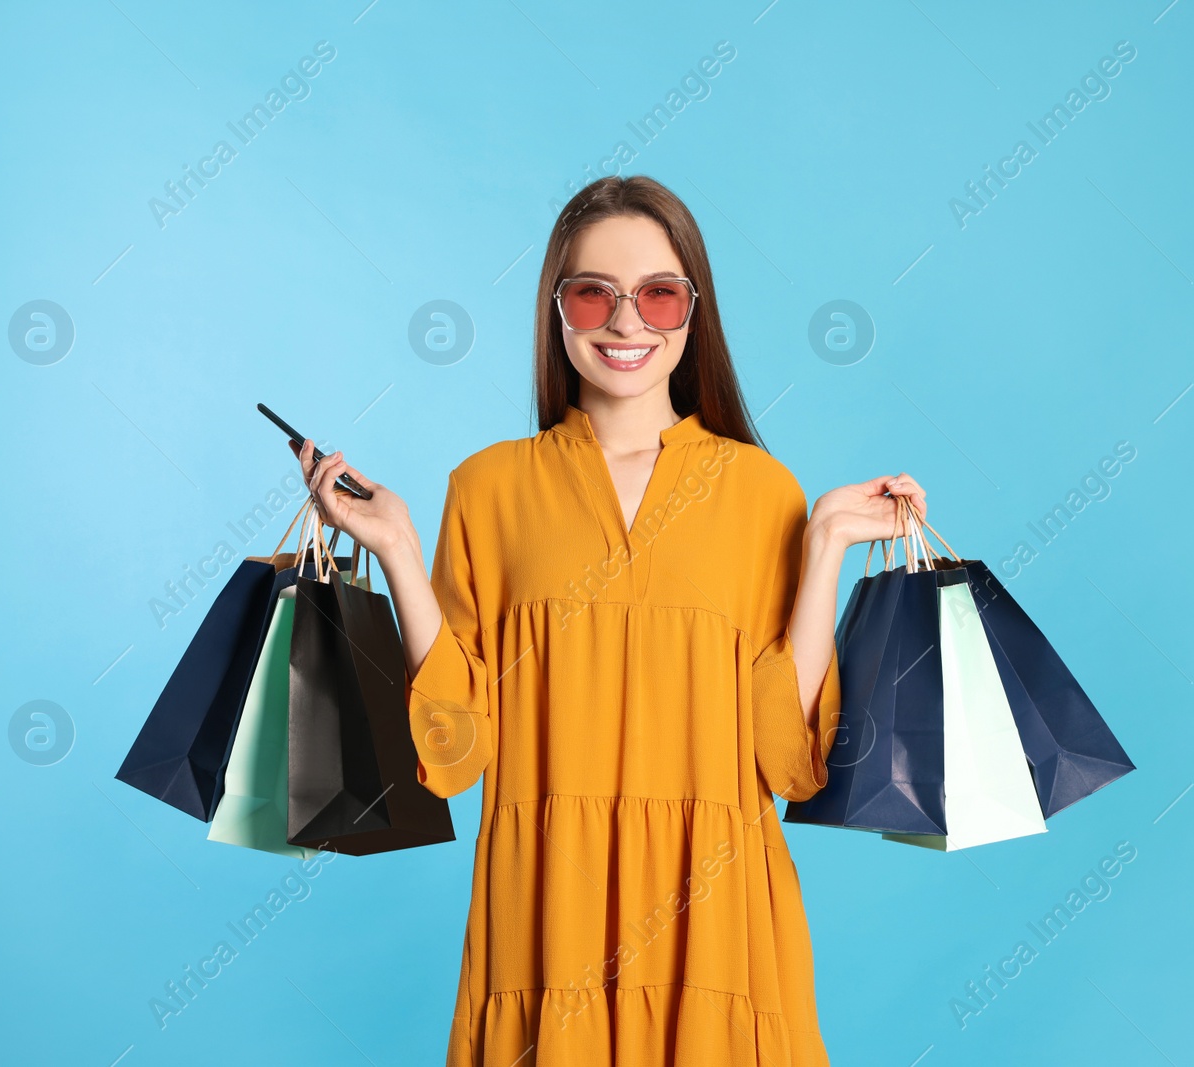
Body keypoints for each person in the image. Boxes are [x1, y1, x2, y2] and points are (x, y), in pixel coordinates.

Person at [294, 175, 926, 1066]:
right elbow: (455, 752)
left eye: (660, 294)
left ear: (693, 312)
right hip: (548, 918)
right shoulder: (488, 489)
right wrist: (397, 547)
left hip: (719, 918)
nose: (627, 323)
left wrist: (823, 545)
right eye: (593, 293)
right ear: (557, 310)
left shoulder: (761, 493)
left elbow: (788, 758)